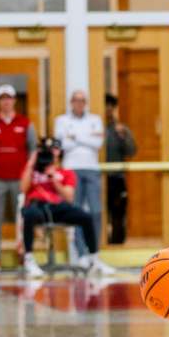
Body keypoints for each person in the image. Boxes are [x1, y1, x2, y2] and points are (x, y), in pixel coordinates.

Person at [20, 137, 115, 278]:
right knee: (29, 214)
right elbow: (23, 188)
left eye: (55, 150)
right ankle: (28, 259)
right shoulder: (33, 170)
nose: (52, 152)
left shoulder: (66, 173)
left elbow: (69, 197)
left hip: (58, 206)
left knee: (86, 217)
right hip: (37, 205)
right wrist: (31, 163)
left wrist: (54, 179)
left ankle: (94, 258)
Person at [0, 84, 37, 271]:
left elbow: (32, 150)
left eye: (9, 98)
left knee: (22, 219)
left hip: (20, 180)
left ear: (14, 100)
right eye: (2, 98)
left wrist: (28, 174)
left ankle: (24, 255)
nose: (6, 101)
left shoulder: (25, 123)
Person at [54, 90, 105, 259]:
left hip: (91, 168)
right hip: (71, 168)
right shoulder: (62, 121)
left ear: (86, 103)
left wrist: (75, 136)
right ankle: (81, 253)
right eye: (76, 100)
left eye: (82, 100)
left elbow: (98, 143)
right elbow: (63, 145)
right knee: (76, 211)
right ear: (71, 102)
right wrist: (87, 137)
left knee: (96, 210)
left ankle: (94, 252)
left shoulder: (95, 120)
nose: (79, 103)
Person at [104, 93, 137, 244]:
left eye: (110, 107)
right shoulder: (95, 129)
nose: (107, 110)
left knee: (118, 213)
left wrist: (123, 137)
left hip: (116, 177)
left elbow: (132, 151)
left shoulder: (120, 129)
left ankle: (117, 243)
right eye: (105, 106)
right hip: (100, 178)